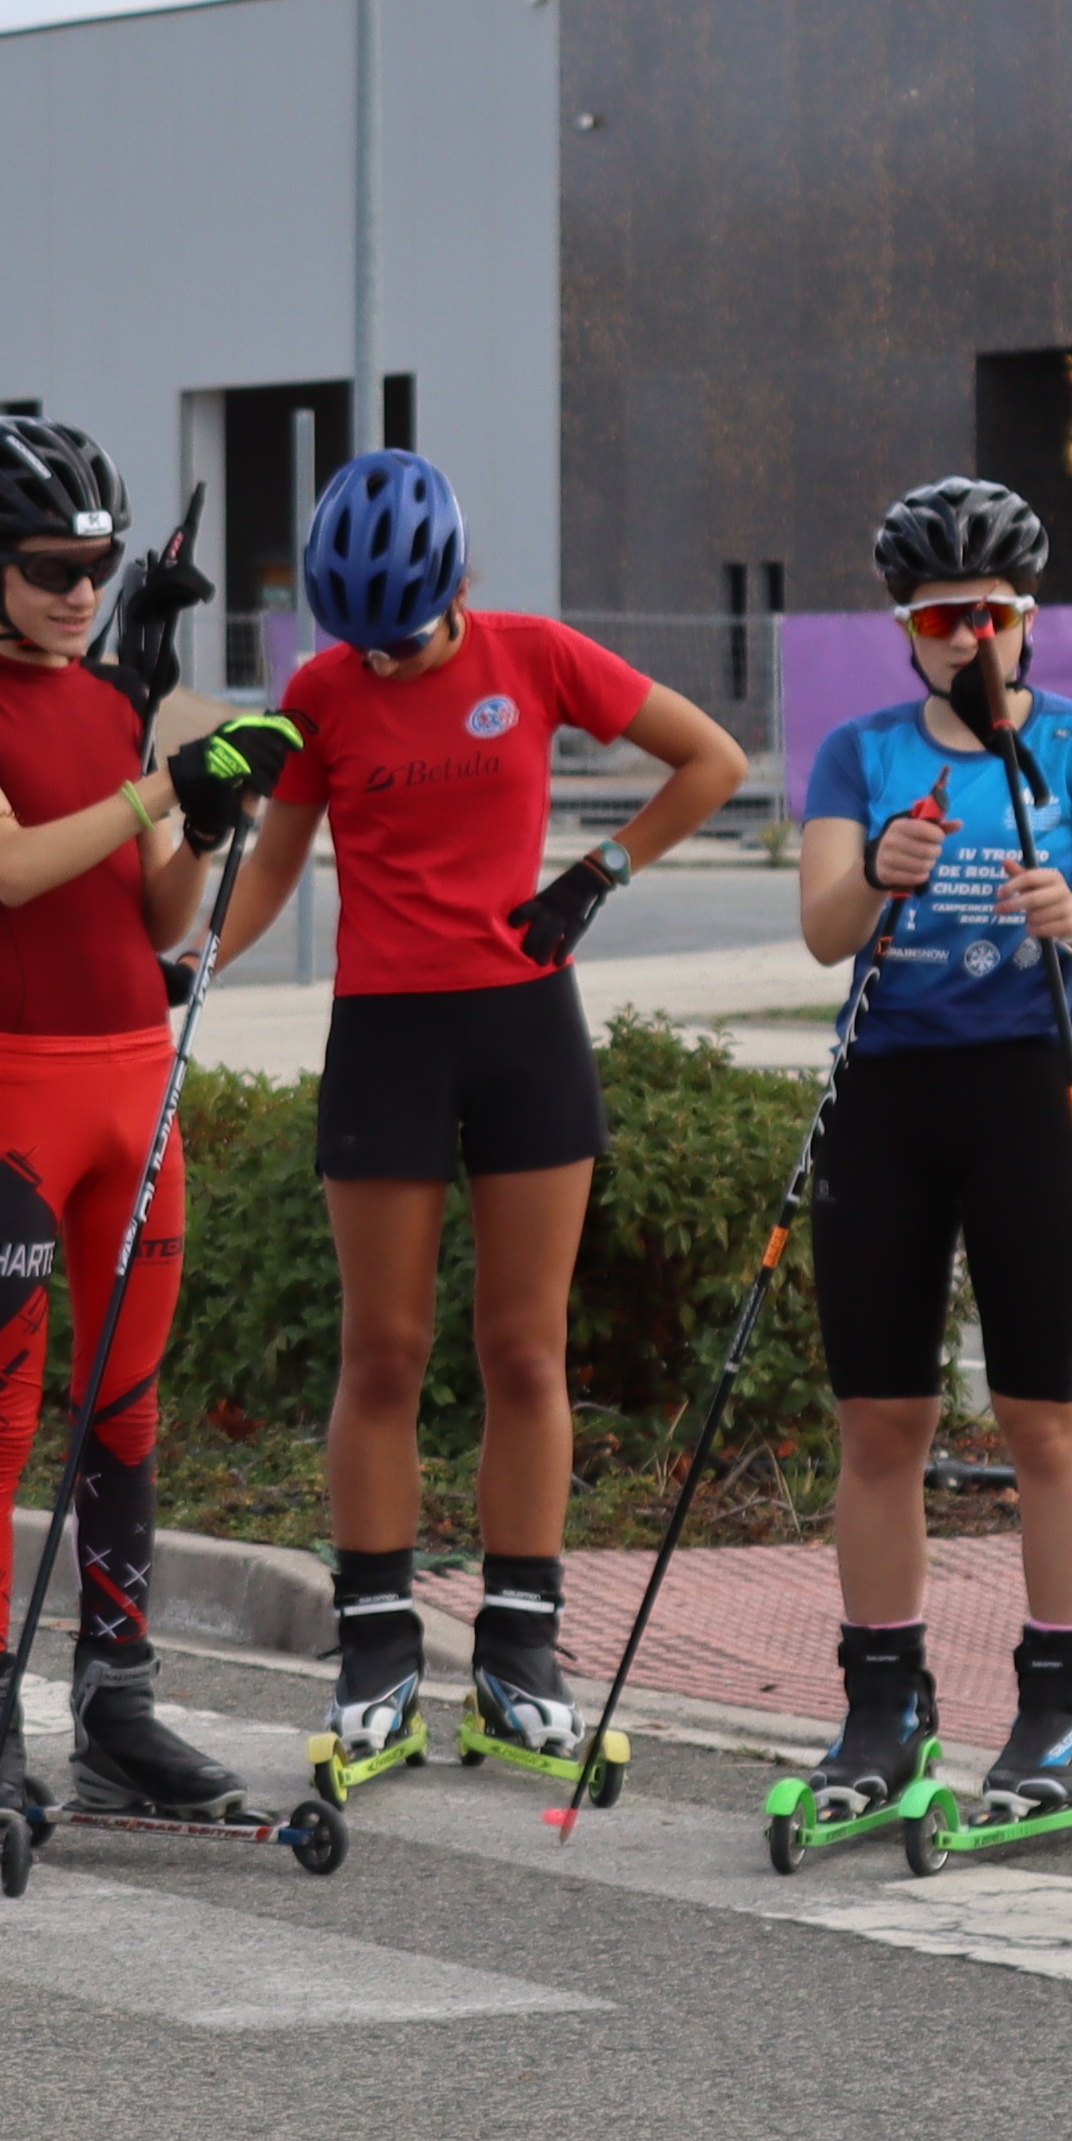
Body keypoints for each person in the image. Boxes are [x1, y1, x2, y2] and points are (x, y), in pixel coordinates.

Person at [190, 448, 750, 1794]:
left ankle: (519, 1658)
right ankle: (376, 1658)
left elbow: (710, 760)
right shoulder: (325, 689)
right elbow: (272, 865)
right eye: (359, 646)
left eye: (402, 640)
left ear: (451, 587)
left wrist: (593, 878)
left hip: (522, 1033)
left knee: (525, 1353)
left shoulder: (537, 656)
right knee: (382, 1350)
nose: (380, 666)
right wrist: (192, 961)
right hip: (387, 1035)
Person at [784, 479, 1072, 1830]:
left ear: (1027, 618)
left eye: (989, 614)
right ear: (907, 628)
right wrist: (877, 872)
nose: (968, 639)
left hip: (1025, 1094)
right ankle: (885, 1704)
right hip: (886, 1098)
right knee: (881, 1422)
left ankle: (1067, 1703)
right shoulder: (860, 751)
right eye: (942, 617)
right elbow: (824, 934)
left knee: (1047, 1415)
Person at [0, 415, 229, 1833]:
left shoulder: (109, 703)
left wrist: (207, 820)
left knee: (128, 1409)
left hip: (136, 1079)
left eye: (95, 564)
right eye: (47, 568)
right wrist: (161, 781)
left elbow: (159, 918)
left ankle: (117, 1709)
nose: (80, 591)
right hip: (21, 1094)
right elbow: (17, 870)